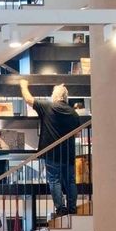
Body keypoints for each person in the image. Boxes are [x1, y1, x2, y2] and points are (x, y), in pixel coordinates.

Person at [20, 79, 82, 220]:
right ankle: (72, 209)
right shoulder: (74, 114)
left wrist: (23, 85)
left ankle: (60, 209)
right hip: (68, 154)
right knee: (70, 181)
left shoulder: (48, 106)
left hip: (52, 154)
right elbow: (77, 133)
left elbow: (29, 99)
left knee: (55, 181)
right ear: (66, 98)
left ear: (54, 96)